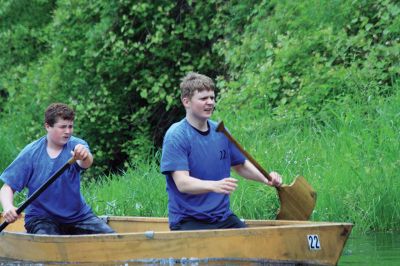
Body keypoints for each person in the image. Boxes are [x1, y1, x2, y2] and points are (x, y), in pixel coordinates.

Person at [160, 72, 282, 231]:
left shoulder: (221, 132)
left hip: (222, 217)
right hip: (189, 220)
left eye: (212, 97)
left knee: (254, 246)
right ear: (186, 102)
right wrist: (214, 186)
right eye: (203, 98)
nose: (210, 102)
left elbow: (241, 165)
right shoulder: (176, 135)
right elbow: (183, 183)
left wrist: (267, 179)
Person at [0, 103, 114, 235]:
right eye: (62, 127)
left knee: (111, 237)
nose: (68, 131)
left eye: (70, 126)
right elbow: (7, 187)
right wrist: (8, 207)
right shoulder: (31, 153)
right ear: (48, 126)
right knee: (49, 242)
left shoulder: (77, 145)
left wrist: (84, 156)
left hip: (78, 217)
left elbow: (86, 162)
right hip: (41, 219)